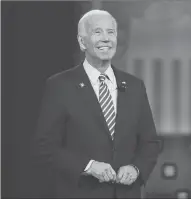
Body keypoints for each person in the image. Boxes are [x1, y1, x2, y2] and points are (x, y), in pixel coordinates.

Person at [35, 9, 160, 198]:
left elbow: (150, 143)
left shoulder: (134, 86)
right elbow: (45, 147)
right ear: (82, 41)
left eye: (111, 32)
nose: (106, 38)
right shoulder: (60, 85)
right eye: (97, 32)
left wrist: (136, 168)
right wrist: (88, 166)